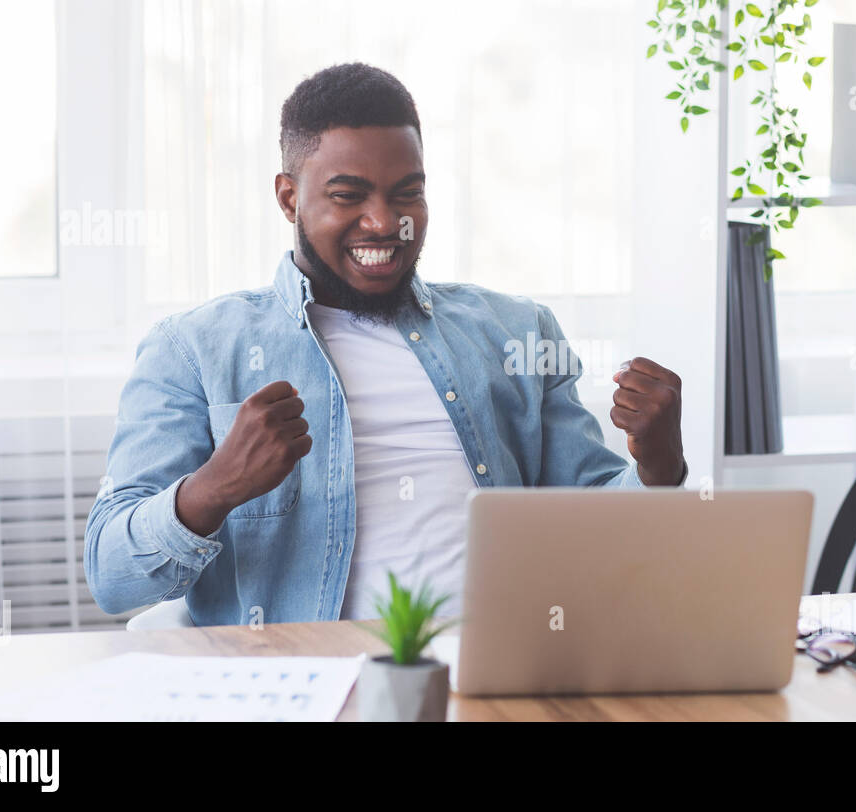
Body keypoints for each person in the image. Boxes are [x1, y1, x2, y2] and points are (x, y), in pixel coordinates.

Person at [85, 63, 686, 625]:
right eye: (348, 195)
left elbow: (604, 537)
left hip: (499, 672)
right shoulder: (193, 350)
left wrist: (657, 465)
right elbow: (112, 576)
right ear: (289, 197)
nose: (384, 222)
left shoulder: (519, 333)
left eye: (406, 193)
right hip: (308, 686)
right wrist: (216, 486)